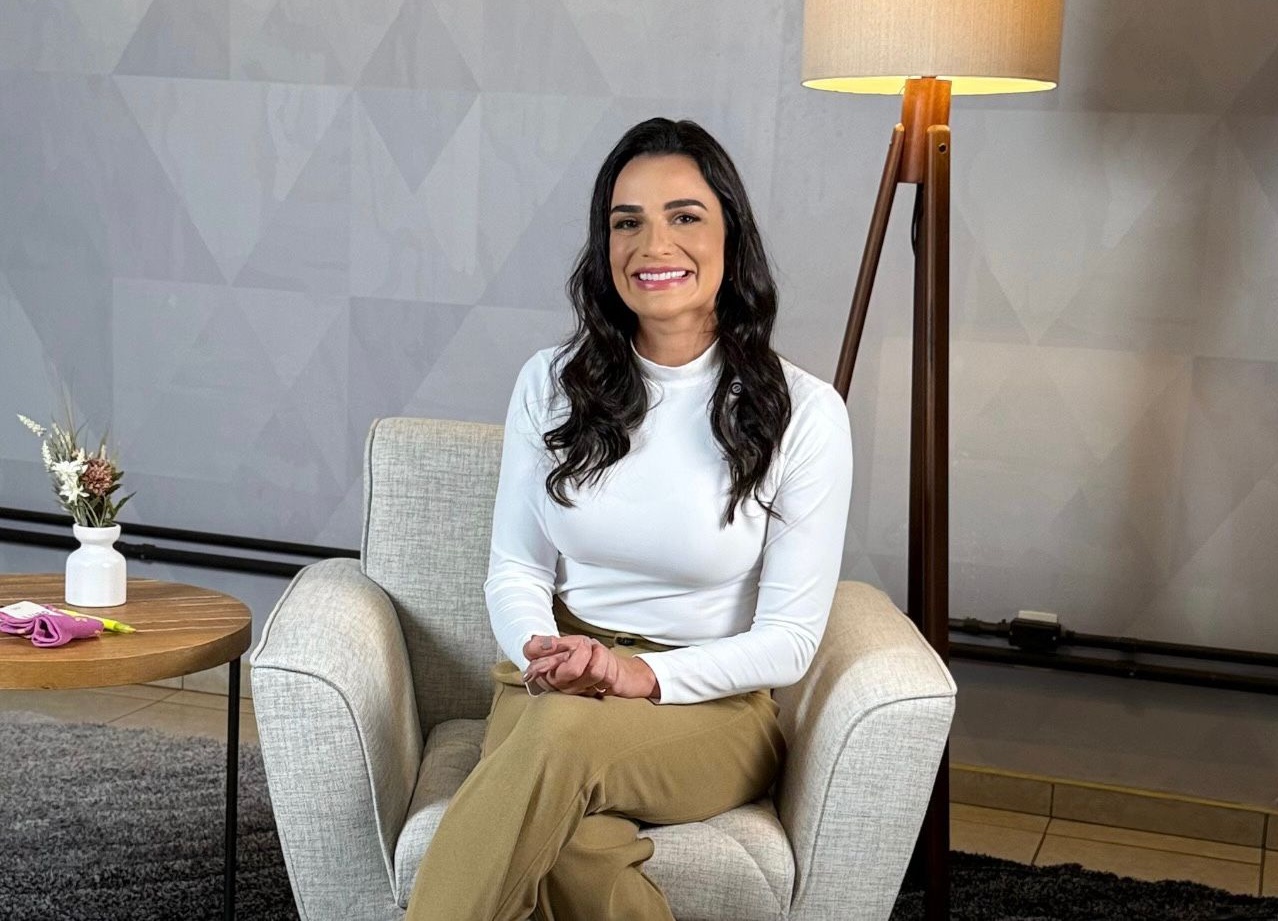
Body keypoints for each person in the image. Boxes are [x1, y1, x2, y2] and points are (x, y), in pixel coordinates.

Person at [404, 117, 854, 921]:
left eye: (685, 216)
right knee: (574, 838)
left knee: (559, 739)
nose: (653, 245)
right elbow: (516, 566)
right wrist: (544, 653)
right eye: (627, 222)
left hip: (711, 707)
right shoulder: (550, 383)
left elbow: (789, 640)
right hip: (552, 681)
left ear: (730, 237)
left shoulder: (805, 413)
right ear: (603, 244)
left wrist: (638, 676)